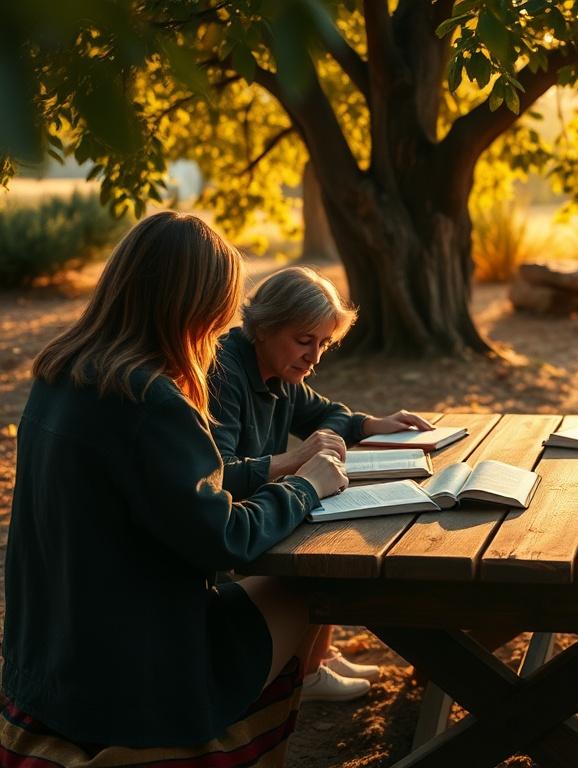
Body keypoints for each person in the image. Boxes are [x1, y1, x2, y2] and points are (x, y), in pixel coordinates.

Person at [1, 212, 347, 764]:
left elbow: (175, 489)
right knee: (301, 587)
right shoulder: (152, 401)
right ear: (193, 307)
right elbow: (224, 540)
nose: (219, 331)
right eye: (218, 312)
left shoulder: (58, 376)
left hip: (49, 663)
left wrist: (275, 474)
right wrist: (304, 488)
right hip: (138, 678)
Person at [208, 265, 433, 702]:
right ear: (265, 326)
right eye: (304, 340)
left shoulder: (281, 368)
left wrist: (367, 424)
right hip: (232, 533)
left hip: (262, 509)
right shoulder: (225, 374)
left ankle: (320, 655)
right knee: (320, 535)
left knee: (329, 514)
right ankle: (306, 673)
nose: (314, 356)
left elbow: (324, 414)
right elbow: (218, 475)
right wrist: (295, 460)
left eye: (324, 343)